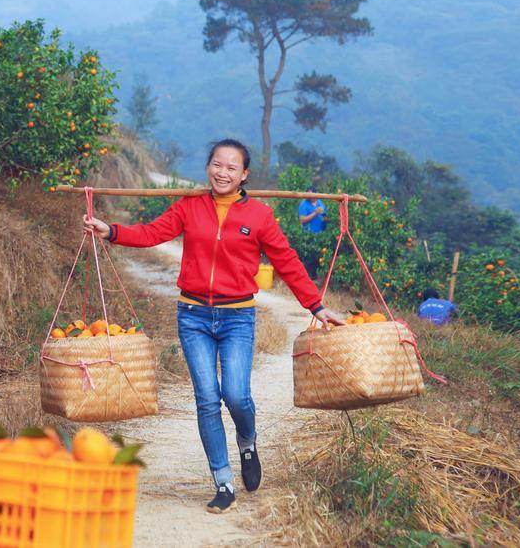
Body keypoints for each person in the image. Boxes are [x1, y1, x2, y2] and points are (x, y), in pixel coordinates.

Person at [83, 139, 344, 514]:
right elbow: (153, 233)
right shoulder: (189, 206)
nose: (222, 172)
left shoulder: (259, 216)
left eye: (231, 168)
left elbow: (286, 261)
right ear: (208, 167)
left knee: (236, 395)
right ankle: (223, 482)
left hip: (238, 316)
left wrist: (316, 306)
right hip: (193, 317)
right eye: (216, 165)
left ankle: (248, 442)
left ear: (244, 175)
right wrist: (112, 231)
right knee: (207, 398)